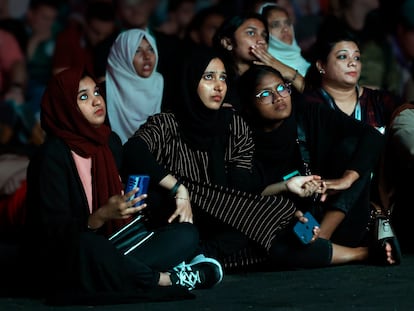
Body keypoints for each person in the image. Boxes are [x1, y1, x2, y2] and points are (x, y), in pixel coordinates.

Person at [122, 48, 372, 271]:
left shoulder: (234, 125)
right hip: (178, 216)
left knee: (278, 237)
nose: (219, 86)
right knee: (278, 222)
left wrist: (287, 186)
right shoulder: (166, 123)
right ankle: (360, 253)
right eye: (208, 77)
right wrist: (179, 188)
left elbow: (242, 190)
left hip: (224, 221)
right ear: (190, 81)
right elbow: (133, 152)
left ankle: (201, 257)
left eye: (222, 78)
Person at [21, 66, 223, 304]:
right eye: (83, 97)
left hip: (120, 243)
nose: (96, 101)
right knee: (90, 247)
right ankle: (166, 279)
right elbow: (53, 234)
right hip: (75, 252)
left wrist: (172, 192)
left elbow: (137, 161)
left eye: (96, 92)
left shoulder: (109, 141)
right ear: (65, 106)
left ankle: (128, 272)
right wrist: (101, 215)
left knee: (186, 234)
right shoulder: (51, 157)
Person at [238, 64, 400, 266]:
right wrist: (286, 193)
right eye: (265, 94)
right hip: (290, 222)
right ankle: (363, 253)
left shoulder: (307, 113)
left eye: (281, 88)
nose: (278, 97)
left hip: (334, 215)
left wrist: (345, 180)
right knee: (268, 243)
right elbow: (243, 194)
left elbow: (372, 136)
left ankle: (321, 242)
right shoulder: (241, 138)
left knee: (352, 148)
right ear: (249, 103)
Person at [212, 13, 304, 112]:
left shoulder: (271, 76)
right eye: (251, 33)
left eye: (264, 35)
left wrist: (284, 69)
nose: (262, 41)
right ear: (227, 42)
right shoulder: (218, 82)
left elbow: (313, 100)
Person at [106, 29, 163, 144]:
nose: (147, 56)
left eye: (151, 49)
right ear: (121, 56)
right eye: (137, 51)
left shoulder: (163, 85)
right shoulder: (102, 91)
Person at [257, 3, 310, 77]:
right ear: (265, 32)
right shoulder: (265, 68)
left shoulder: (306, 61)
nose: (285, 29)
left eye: (288, 23)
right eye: (276, 25)